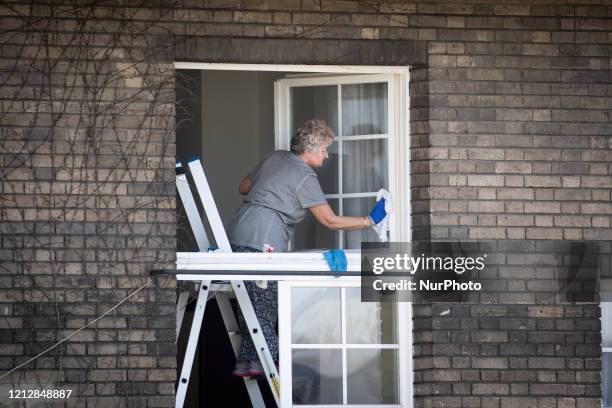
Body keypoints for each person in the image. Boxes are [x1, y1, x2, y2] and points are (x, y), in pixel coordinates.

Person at [227, 119, 386, 377]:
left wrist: (272, 187)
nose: (326, 155)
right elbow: (330, 221)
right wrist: (370, 221)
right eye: (324, 149)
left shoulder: (274, 157)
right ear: (309, 150)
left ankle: (247, 363)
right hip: (263, 240)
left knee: (251, 302)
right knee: (266, 306)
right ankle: (268, 365)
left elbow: (243, 187)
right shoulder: (304, 176)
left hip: (238, 231)